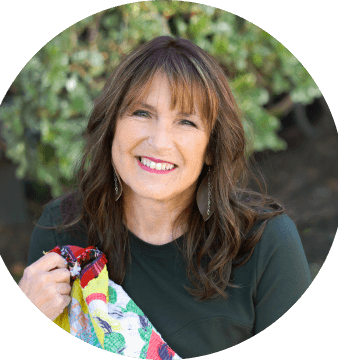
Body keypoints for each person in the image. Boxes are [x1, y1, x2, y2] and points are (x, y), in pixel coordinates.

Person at [19, 36, 311, 357]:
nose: (159, 142)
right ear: (112, 125)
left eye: (186, 121)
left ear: (211, 149)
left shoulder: (265, 245)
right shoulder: (62, 227)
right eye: (142, 113)